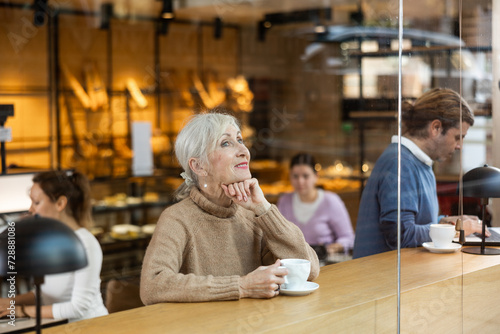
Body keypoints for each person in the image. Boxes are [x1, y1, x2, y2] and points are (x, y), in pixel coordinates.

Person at [140, 113, 320, 303]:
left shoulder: (253, 215)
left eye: (241, 140)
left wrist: (264, 208)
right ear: (199, 166)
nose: (244, 150)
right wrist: (241, 286)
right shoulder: (177, 219)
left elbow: (309, 270)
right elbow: (152, 285)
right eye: (226, 143)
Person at [353, 88, 488, 259]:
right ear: (436, 128)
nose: (459, 145)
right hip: (382, 280)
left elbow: (417, 223)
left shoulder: (416, 162)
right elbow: (402, 235)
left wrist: (445, 222)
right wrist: (455, 230)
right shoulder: (400, 164)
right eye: (457, 137)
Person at [0, 170, 108, 321]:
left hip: (92, 326)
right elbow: (46, 294)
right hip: (61, 327)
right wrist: (10, 302)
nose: (31, 209)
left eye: (36, 202)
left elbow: (78, 308)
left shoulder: (86, 244)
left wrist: (20, 310)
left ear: (60, 203)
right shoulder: (48, 241)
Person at [277, 153, 355, 256]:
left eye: (305, 176)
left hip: (325, 262)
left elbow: (349, 238)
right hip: (293, 262)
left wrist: (332, 248)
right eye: (295, 176)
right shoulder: (284, 201)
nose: (300, 181)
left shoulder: (331, 201)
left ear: (316, 176)